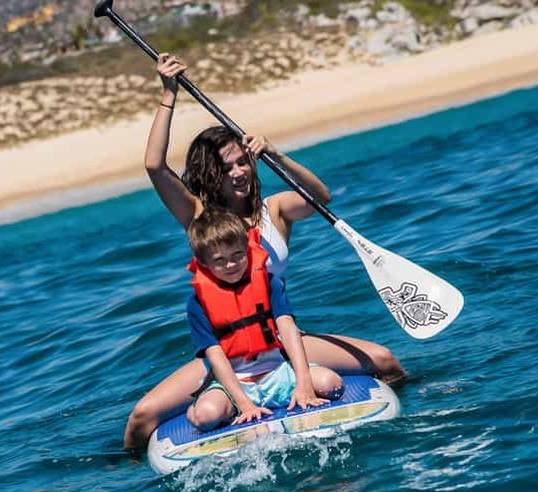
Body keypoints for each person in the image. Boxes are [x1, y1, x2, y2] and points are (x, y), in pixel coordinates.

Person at [124, 52, 407, 451]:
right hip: (225, 355)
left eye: (244, 163)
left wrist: (274, 154)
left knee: (384, 360)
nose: (239, 172)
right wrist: (169, 94)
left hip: (282, 342)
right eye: (228, 168)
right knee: (141, 418)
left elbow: (320, 196)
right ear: (211, 176)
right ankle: (130, 476)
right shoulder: (200, 217)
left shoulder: (274, 209)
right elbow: (155, 166)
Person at [185, 210, 343, 430]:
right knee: (205, 417)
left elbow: (288, 330)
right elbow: (215, 356)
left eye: (238, 255)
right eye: (220, 260)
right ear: (203, 262)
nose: (231, 265)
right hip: (236, 385)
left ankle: (300, 385)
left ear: (248, 250)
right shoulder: (197, 303)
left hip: (278, 373)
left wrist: (303, 383)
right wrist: (245, 404)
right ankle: (194, 408)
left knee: (331, 384)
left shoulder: (270, 283)